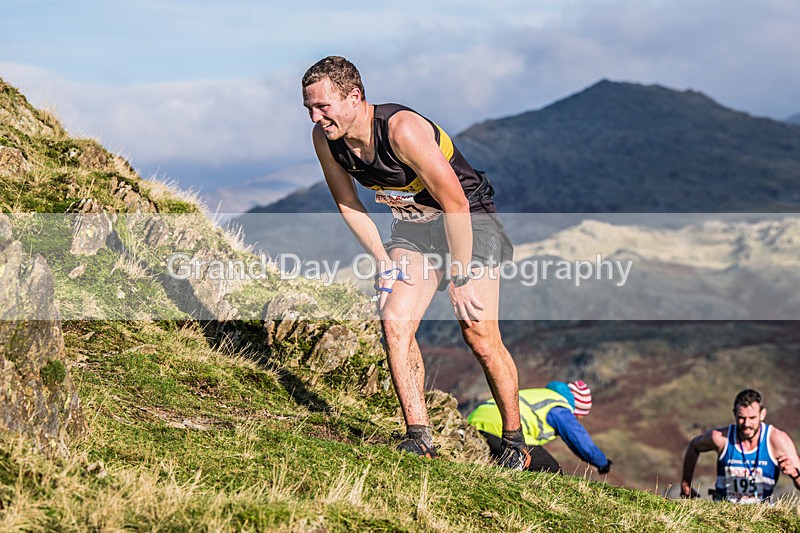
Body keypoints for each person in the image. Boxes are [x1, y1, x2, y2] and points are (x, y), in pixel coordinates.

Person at [301, 56, 528, 468]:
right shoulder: (325, 139)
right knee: (394, 319)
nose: (316, 117)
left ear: (354, 97)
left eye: (323, 107)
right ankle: (419, 436)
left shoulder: (402, 130)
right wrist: (383, 262)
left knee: (478, 334)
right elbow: (348, 202)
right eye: (309, 109)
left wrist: (459, 276)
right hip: (415, 229)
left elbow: (455, 202)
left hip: (468, 222)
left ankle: (515, 444)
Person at [680, 389, 800, 503]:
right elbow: (694, 445)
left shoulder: (777, 440)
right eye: (741, 418)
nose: (747, 424)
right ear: (735, 414)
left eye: (752, 418)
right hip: (723, 509)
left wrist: (795, 474)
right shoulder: (721, 438)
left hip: (761, 513)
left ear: (762, 414)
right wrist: (686, 483)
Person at [468, 380, 612, 474]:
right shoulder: (559, 407)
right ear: (577, 409)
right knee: (553, 473)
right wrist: (602, 463)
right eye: (578, 417)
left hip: (475, 421)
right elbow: (578, 439)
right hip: (501, 430)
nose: (577, 420)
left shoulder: (542, 395)